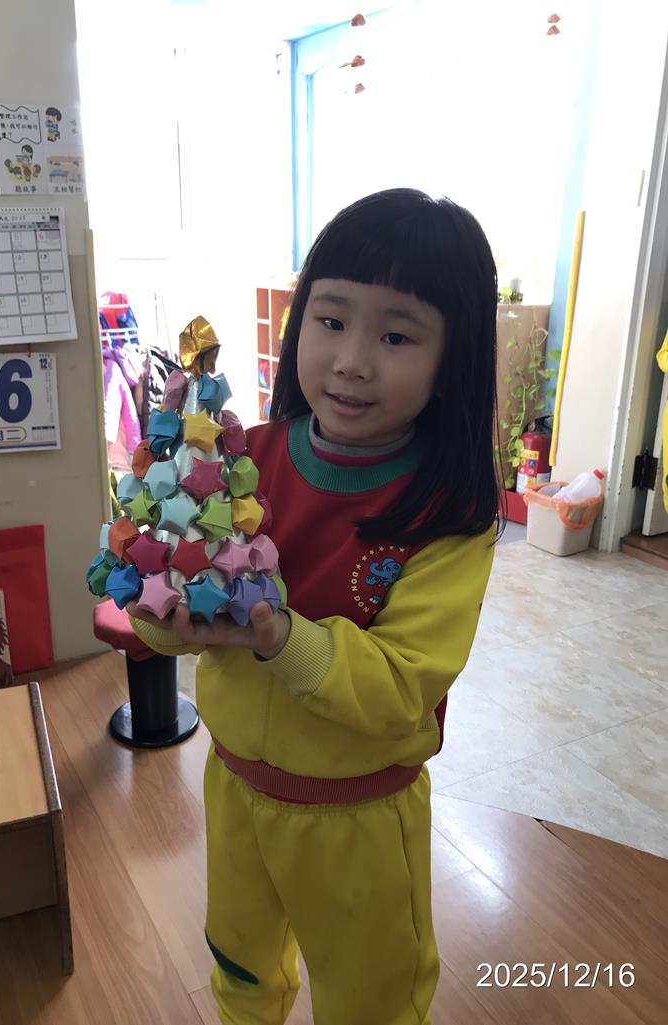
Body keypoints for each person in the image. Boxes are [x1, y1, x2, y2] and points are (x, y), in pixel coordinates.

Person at [127, 188, 500, 1025]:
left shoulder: (448, 515)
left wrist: (276, 636)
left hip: (357, 813)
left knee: (369, 997)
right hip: (236, 784)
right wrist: (158, 603)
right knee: (240, 966)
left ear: (453, 359)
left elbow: (402, 682)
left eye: (396, 336)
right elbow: (174, 605)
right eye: (331, 320)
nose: (352, 360)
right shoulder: (241, 460)